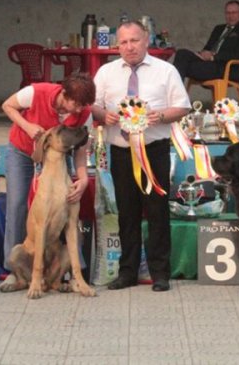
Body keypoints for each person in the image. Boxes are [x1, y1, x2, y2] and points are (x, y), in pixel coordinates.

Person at [93, 21, 190, 292]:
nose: (129, 47)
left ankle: (160, 273)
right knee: (127, 213)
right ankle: (127, 272)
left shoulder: (166, 71)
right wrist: (104, 115)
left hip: (154, 150)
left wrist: (158, 116)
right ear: (117, 45)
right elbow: (93, 105)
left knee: (158, 212)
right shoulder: (106, 72)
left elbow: (182, 107)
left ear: (146, 40)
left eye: (134, 40)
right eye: (123, 42)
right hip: (121, 151)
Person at [0, 73, 96, 282]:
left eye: (84, 105)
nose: (80, 110)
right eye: (76, 104)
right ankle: (13, 271)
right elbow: (7, 105)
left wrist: (83, 179)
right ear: (64, 94)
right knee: (17, 205)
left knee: (66, 208)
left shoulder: (84, 113)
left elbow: (80, 152)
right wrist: (27, 126)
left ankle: (68, 268)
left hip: (59, 157)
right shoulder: (36, 92)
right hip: (23, 152)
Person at [173, 0, 239, 89]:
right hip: (208, 64)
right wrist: (201, 54)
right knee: (181, 53)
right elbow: (208, 47)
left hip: (226, 68)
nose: (230, 16)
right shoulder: (218, 28)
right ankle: (175, 91)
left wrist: (213, 57)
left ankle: (175, 93)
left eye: (234, 13)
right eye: (227, 13)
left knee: (180, 67)